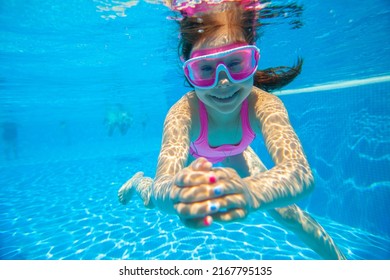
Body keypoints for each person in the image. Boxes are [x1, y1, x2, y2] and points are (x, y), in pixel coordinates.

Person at [118, 0, 346, 260]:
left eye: (236, 63)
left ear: (254, 59)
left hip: (238, 153)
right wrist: (175, 193)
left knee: (288, 214)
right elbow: (163, 184)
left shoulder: (264, 104)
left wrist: (251, 192)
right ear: (189, 73)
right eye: (205, 68)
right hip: (197, 157)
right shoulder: (183, 113)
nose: (223, 82)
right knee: (152, 201)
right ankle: (137, 182)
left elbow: (300, 172)